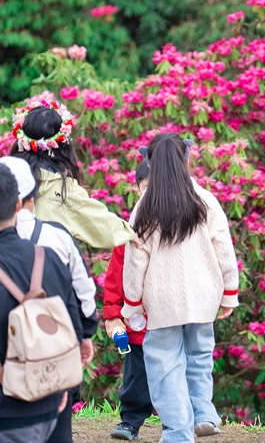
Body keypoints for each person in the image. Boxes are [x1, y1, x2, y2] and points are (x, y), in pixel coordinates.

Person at [0, 156, 98, 443]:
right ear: (24, 201)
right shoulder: (56, 241)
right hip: (51, 369)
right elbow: (81, 295)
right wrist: (84, 335)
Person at [121, 133, 239, 442]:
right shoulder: (205, 200)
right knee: (199, 356)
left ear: (150, 163)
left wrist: (132, 302)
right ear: (186, 159)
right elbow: (224, 248)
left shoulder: (144, 206)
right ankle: (203, 415)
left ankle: (178, 432)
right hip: (204, 296)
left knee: (164, 366)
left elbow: (135, 261)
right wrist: (229, 292)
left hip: (162, 301)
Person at [9, 100, 136, 249]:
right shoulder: (64, 189)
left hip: (3, 259)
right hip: (47, 261)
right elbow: (100, 223)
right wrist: (128, 232)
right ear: (62, 145)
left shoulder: (4, 180)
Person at [104, 162, 154, 441]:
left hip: (171, 318)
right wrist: (113, 314)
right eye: (146, 188)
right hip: (137, 319)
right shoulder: (129, 229)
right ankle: (130, 421)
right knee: (136, 376)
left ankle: (179, 424)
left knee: (176, 374)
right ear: (136, 189)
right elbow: (115, 277)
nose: (152, 194)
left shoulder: (180, 223)